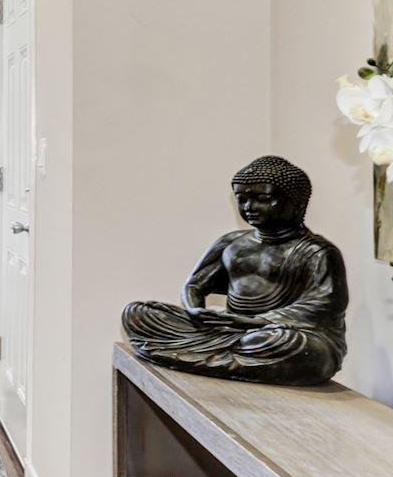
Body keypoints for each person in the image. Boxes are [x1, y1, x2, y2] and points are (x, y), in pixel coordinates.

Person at [121, 155, 347, 385]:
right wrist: (195, 311)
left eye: (262, 198)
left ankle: (198, 356)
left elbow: (323, 306)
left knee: (296, 347)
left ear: (296, 202)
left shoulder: (316, 251)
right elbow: (195, 285)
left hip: (274, 334)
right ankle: (220, 357)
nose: (249, 207)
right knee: (137, 313)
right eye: (242, 198)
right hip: (229, 332)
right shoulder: (231, 242)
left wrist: (255, 322)